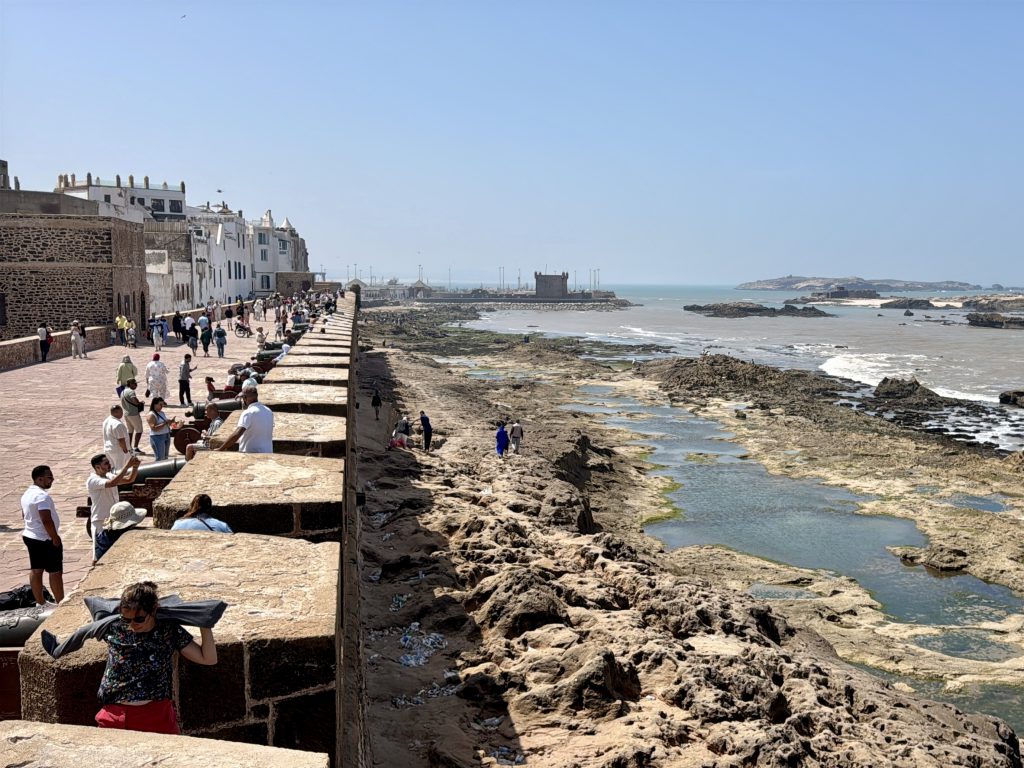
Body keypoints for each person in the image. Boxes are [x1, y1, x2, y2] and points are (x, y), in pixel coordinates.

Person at [94, 581, 218, 733]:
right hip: (114, 716)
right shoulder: (113, 627)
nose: (132, 624)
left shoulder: (168, 631)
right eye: (126, 619)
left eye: (139, 619)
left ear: (153, 610)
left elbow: (208, 658)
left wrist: (204, 622)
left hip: (155, 716)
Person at [86, 454, 141, 563]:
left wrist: (135, 467)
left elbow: (129, 479)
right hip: (101, 520)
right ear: (97, 467)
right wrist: (127, 466)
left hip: (115, 519)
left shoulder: (109, 475)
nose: (109, 465)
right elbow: (112, 483)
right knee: (99, 554)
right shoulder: (92, 480)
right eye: (106, 463)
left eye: (108, 462)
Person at [21, 465, 64, 606]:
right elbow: (46, 518)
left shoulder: (27, 493)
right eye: (49, 477)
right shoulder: (41, 496)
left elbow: (24, 514)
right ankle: (61, 603)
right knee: (55, 572)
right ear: (39, 479)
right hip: (45, 539)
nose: (52, 480)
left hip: (30, 536)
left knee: (37, 569)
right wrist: (54, 537)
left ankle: (40, 603)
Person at [216, 387, 273, 453]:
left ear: (245, 398)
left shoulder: (248, 413)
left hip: (252, 454)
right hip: (267, 453)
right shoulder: (269, 411)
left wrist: (221, 448)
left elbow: (237, 434)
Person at [119, 379, 146, 454]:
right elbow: (134, 400)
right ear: (130, 384)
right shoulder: (131, 391)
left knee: (130, 431)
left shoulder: (123, 391)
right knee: (139, 430)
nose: (136, 386)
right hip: (133, 414)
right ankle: (135, 448)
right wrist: (139, 403)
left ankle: (129, 448)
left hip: (126, 414)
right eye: (134, 384)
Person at [103, 404, 132, 471]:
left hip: (108, 449)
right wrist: (125, 450)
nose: (122, 414)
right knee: (121, 469)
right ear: (116, 412)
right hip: (118, 451)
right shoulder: (118, 424)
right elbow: (121, 440)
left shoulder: (106, 420)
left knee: (113, 468)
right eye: (121, 412)